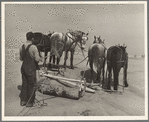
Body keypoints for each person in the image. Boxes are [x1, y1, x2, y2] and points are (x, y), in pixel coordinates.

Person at [19, 32, 42, 107]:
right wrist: (40, 58)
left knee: (24, 84)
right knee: (31, 84)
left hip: (23, 67)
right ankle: (29, 102)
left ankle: (23, 101)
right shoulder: (34, 47)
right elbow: (37, 59)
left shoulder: (22, 47)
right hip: (31, 68)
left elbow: (21, 58)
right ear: (32, 38)